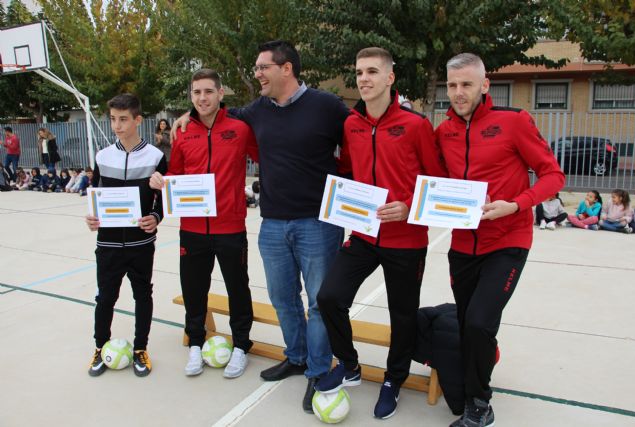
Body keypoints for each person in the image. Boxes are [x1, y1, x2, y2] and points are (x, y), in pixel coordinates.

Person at [172, 40, 349, 412]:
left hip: (318, 223)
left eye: (262, 68)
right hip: (272, 224)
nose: (256, 74)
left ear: (286, 69)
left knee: (317, 303)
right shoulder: (257, 111)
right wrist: (188, 114)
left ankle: (318, 370)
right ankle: (297, 356)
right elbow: (217, 114)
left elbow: (360, 142)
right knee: (283, 298)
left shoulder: (327, 106)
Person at [315, 47, 448, 419]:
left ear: (390, 78)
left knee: (402, 316)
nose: (364, 79)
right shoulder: (351, 125)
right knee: (329, 297)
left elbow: (436, 180)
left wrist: (407, 206)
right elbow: (346, 171)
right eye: (359, 72)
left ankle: (394, 379)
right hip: (362, 236)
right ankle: (350, 365)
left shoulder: (416, 125)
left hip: (405, 240)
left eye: (372, 71)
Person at [434, 53, 565, 427]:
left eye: (466, 85)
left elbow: (553, 175)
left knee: (478, 321)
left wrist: (517, 205)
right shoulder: (443, 132)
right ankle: (480, 363)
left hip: (508, 240)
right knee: (466, 323)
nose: (458, 93)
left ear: (484, 85)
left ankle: (481, 403)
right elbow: (439, 184)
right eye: (452, 85)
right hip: (462, 245)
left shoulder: (514, 122)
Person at [150, 69, 259, 379]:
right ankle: (195, 342)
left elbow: (267, 158)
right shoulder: (182, 132)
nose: (202, 98)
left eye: (208, 92)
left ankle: (240, 345)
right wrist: (162, 182)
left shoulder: (240, 129)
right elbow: (177, 174)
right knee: (194, 289)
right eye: (196, 93)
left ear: (220, 94)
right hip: (193, 229)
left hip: (230, 227)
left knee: (238, 288)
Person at [85, 93, 167, 378]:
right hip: (107, 244)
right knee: (105, 298)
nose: (117, 126)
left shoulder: (156, 157)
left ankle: (140, 349)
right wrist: (92, 217)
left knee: (142, 295)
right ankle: (99, 347)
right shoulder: (103, 156)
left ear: (137, 120)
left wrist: (155, 218)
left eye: (123, 119)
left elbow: (164, 200)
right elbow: (95, 195)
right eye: (112, 120)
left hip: (141, 244)